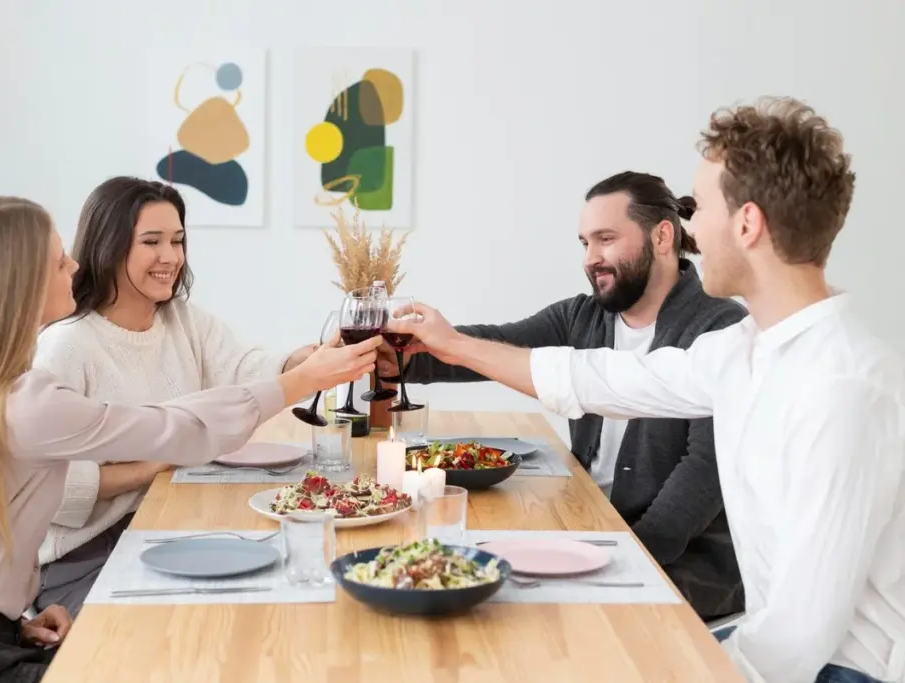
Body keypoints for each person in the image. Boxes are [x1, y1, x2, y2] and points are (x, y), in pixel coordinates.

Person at [387, 97, 903, 683]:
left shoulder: (842, 387)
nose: (689, 228)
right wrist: (447, 344)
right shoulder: (744, 350)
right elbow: (604, 378)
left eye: (696, 207)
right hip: (773, 644)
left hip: (839, 669)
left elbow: (799, 634)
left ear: (747, 224)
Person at [0, 196, 380, 683]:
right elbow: (173, 428)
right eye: (59, 262)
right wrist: (300, 383)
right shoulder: (24, 401)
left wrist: (10, 622)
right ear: (22, 284)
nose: (75, 265)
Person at [379, 171, 747, 620]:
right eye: (584, 243)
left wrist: (617, 558)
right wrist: (403, 356)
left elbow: (704, 472)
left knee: (535, 617)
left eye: (606, 239)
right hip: (591, 525)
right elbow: (499, 346)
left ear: (663, 236)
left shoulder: (720, 329)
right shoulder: (583, 316)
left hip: (680, 559)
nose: (591, 258)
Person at [30, 177, 318, 617]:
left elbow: (243, 370)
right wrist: (153, 466)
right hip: (82, 557)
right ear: (109, 245)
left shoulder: (180, 320)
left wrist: (310, 359)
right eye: (152, 241)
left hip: (160, 523)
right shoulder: (67, 345)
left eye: (178, 241)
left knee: (273, 587)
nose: (171, 257)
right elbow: (48, 487)